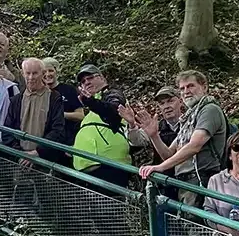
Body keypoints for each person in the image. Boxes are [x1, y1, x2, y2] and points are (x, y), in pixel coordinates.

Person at [137, 70, 227, 209]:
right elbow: (168, 154)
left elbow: (194, 146)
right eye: (182, 88)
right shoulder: (189, 117)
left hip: (202, 179)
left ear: (204, 87)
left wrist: (160, 167)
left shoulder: (209, 109)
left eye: (191, 86)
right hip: (186, 182)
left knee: (197, 226)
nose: (186, 91)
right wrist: (154, 135)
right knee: (188, 225)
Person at [72, 64, 131, 187]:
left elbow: (113, 111)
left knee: (113, 204)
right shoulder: (89, 104)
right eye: (83, 81)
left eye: (90, 78)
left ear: (102, 78)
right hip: (87, 167)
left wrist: (91, 102)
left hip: (110, 165)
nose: (86, 82)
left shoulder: (112, 94)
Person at [121, 86, 184, 196]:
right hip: (163, 183)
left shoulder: (190, 123)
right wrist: (131, 124)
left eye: (170, 101)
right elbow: (137, 141)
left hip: (186, 180)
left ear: (181, 101)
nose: (167, 106)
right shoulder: (155, 126)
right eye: (162, 103)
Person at [2, 58, 66, 162]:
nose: (31, 77)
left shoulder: (54, 98)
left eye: (35, 73)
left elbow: (58, 130)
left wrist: (38, 152)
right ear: (23, 74)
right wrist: (20, 154)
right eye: (28, 73)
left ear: (43, 73)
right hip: (20, 161)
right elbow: (7, 131)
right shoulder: (16, 100)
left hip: (45, 161)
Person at [42, 57, 84, 146]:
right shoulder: (38, 92)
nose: (47, 74)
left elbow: (80, 115)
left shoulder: (69, 90)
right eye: (44, 72)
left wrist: (59, 114)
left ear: (57, 71)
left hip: (67, 142)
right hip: (44, 141)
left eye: (51, 70)